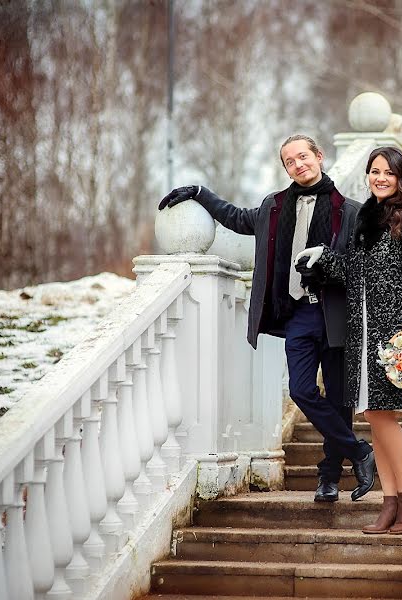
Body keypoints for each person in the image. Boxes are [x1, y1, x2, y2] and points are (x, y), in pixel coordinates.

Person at [157, 134, 376, 503]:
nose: (298, 164)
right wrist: (199, 192)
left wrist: (327, 265)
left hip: (336, 315)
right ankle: (359, 452)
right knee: (302, 390)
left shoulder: (351, 210)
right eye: (290, 161)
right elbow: (237, 219)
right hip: (298, 314)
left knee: (339, 398)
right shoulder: (273, 207)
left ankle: (329, 477)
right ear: (286, 168)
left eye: (303, 156)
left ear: (319, 156)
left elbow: (360, 268)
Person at [297, 146, 402, 535]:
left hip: (394, 336)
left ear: (401, 177)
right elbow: (354, 271)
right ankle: (390, 502)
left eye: (389, 173)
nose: (380, 178)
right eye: (375, 172)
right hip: (362, 332)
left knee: (382, 417)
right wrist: (323, 257)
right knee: (373, 416)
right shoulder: (363, 220)